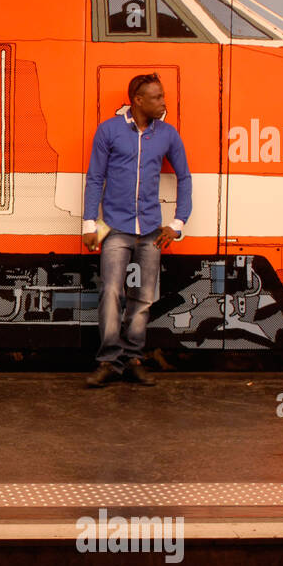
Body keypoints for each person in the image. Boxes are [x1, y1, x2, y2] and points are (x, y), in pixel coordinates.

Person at [82, 73, 192, 388]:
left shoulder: (167, 135)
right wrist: (90, 223)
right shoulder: (109, 130)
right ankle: (108, 362)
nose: (163, 102)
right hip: (113, 226)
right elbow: (95, 177)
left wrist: (177, 223)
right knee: (112, 293)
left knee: (143, 299)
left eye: (163, 96)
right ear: (138, 100)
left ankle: (132, 360)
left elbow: (184, 177)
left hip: (151, 230)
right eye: (157, 97)